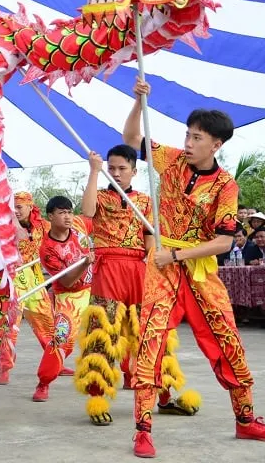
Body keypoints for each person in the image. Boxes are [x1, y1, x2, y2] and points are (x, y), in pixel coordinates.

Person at [123, 79, 265, 458]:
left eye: (196, 137)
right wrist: (136, 102)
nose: (189, 142)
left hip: (195, 269)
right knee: (150, 342)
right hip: (161, 271)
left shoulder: (226, 185)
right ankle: (142, 430)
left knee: (226, 339)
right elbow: (131, 140)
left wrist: (175, 256)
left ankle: (246, 421)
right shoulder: (172, 160)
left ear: (216, 144)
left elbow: (225, 241)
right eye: (188, 135)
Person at [75, 146, 199, 425]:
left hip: (139, 270)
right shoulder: (102, 196)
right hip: (109, 269)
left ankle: (164, 397)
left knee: (153, 332)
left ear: (134, 170)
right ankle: (97, 397)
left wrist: (153, 261)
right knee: (104, 332)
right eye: (112, 168)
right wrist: (94, 171)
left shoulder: (144, 202)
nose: (117, 173)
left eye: (122, 168)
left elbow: (150, 236)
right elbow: (87, 210)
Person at [0, 192, 74, 385]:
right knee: (11, 325)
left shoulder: (43, 226)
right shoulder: (6, 227)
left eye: (19, 207)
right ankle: (4, 368)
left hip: (36, 280)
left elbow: (61, 233)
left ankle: (56, 361)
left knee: (48, 323)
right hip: (14, 280)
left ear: (30, 206)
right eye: (13, 207)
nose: (16, 210)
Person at [36, 196, 95, 402]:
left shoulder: (79, 224)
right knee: (61, 338)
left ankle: (129, 374)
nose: (68, 216)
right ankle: (44, 382)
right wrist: (85, 264)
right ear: (50, 216)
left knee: (114, 330)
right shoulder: (47, 249)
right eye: (62, 213)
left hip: (95, 290)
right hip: (69, 297)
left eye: (70, 211)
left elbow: (96, 218)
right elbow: (68, 281)